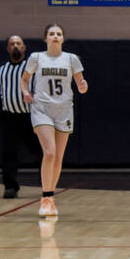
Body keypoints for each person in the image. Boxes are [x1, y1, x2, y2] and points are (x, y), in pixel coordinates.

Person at [20, 24, 87, 217]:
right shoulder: (36, 58)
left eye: (58, 34)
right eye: (51, 34)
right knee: (49, 153)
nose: (55, 36)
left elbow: (81, 86)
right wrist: (25, 92)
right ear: (46, 38)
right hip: (42, 108)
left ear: (63, 39)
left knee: (58, 158)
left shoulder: (71, 59)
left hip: (64, 110)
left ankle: (51, 199)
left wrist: (83, 86)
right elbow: (24, 80)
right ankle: (46, 197)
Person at [0, 34, 40, 198]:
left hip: (31, 117)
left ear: (24, 47)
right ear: (8, 48)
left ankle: (47, 184)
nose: (15, 46)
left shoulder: (32, 69)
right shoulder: (1, 69)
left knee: (41, 151)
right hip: (10, 117)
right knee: (9, 152)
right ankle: (10, 187)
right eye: (12, 44)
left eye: (18, 43)